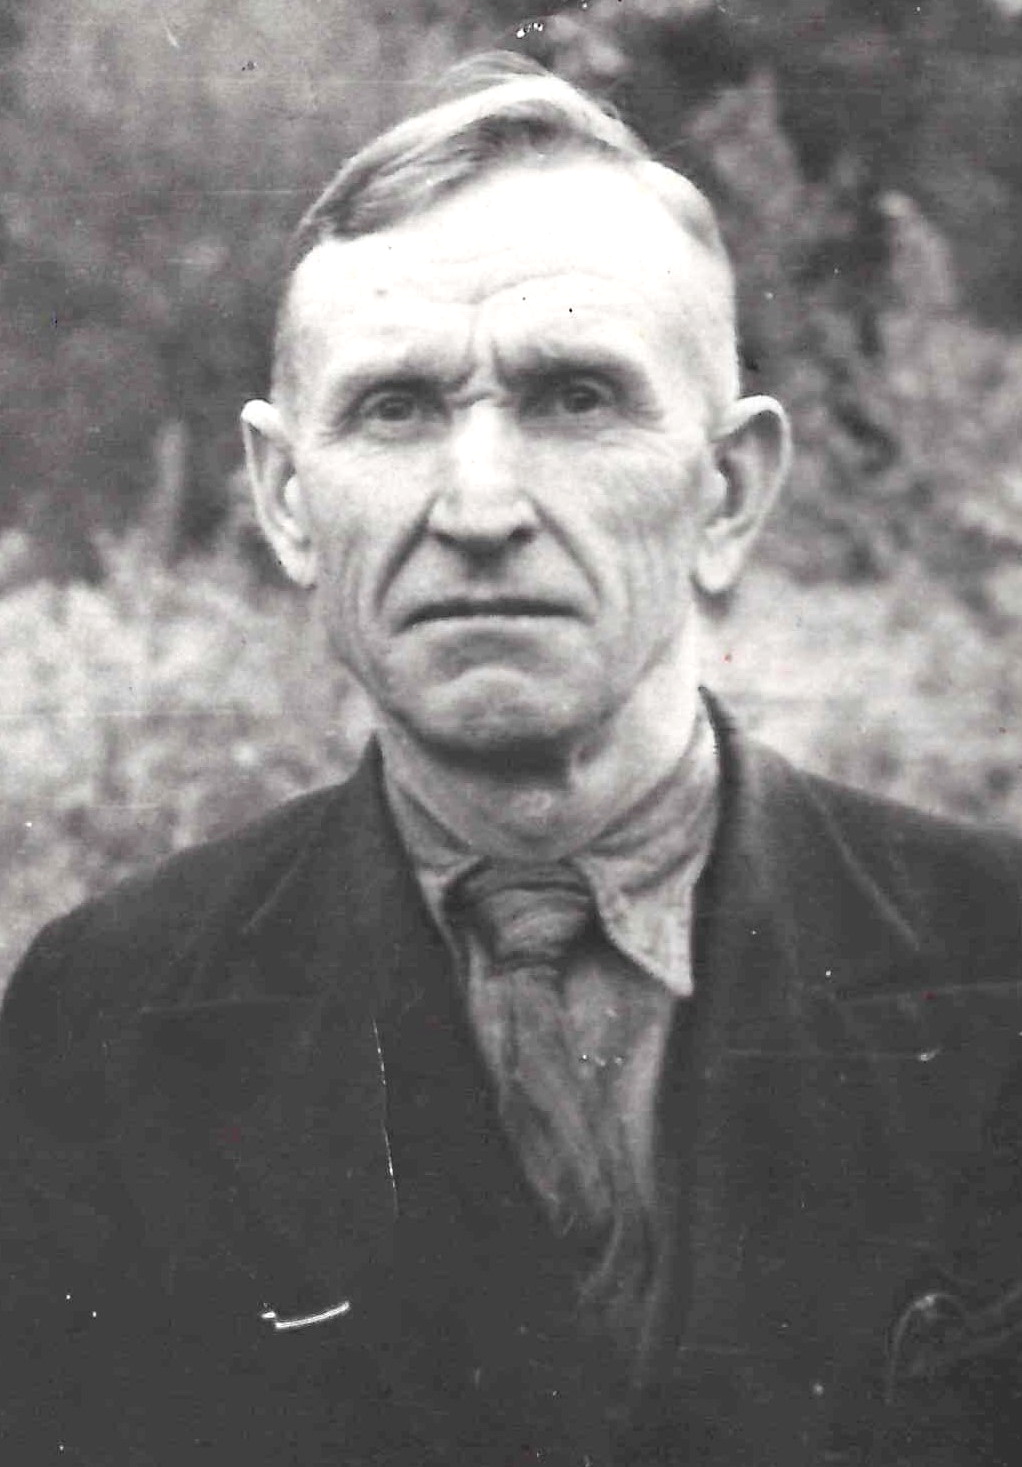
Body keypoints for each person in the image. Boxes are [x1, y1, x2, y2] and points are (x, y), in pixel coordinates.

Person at [2, 55, 1021, 1467]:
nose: (479, 506)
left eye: (575, 397)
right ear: (287, 501)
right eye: (394, 409)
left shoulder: (997, 962)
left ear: (728, 490)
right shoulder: (105, 1019)